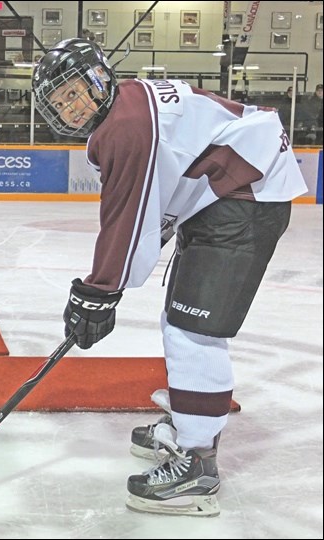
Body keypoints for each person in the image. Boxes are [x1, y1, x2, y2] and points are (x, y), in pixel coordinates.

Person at [32, 39, 307, 517]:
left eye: (75, 92)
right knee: (180, 317)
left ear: (99, 81)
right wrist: (107, 288)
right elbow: (154, 201)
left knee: (193, 329)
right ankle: (189, 422)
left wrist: (98, 292)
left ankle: (198, 464)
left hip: (243, 200)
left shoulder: (125, 126)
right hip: (226, 194)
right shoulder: (128, 107)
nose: (71, 107)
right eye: (61, 103)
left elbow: (127, 218)